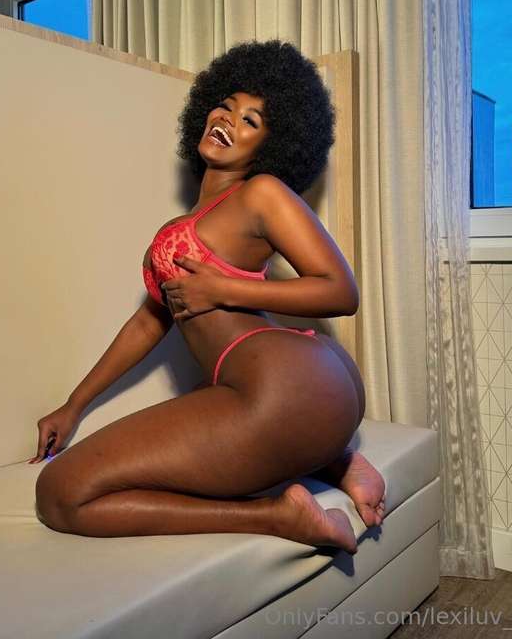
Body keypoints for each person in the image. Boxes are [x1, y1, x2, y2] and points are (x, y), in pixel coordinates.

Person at [30, 39, 385, 551]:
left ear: (271, 145)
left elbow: (341, 291)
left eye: (250, 121)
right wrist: (73, 406)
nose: (228, 120)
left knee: (59, 493)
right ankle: (339, 461)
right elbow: (149, 322)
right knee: (200, 400)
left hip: (284, 383)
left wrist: (221, 287)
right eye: (225, 106)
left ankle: (276, 516)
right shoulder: (187, 221)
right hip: (301, 391)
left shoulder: (261, 192)